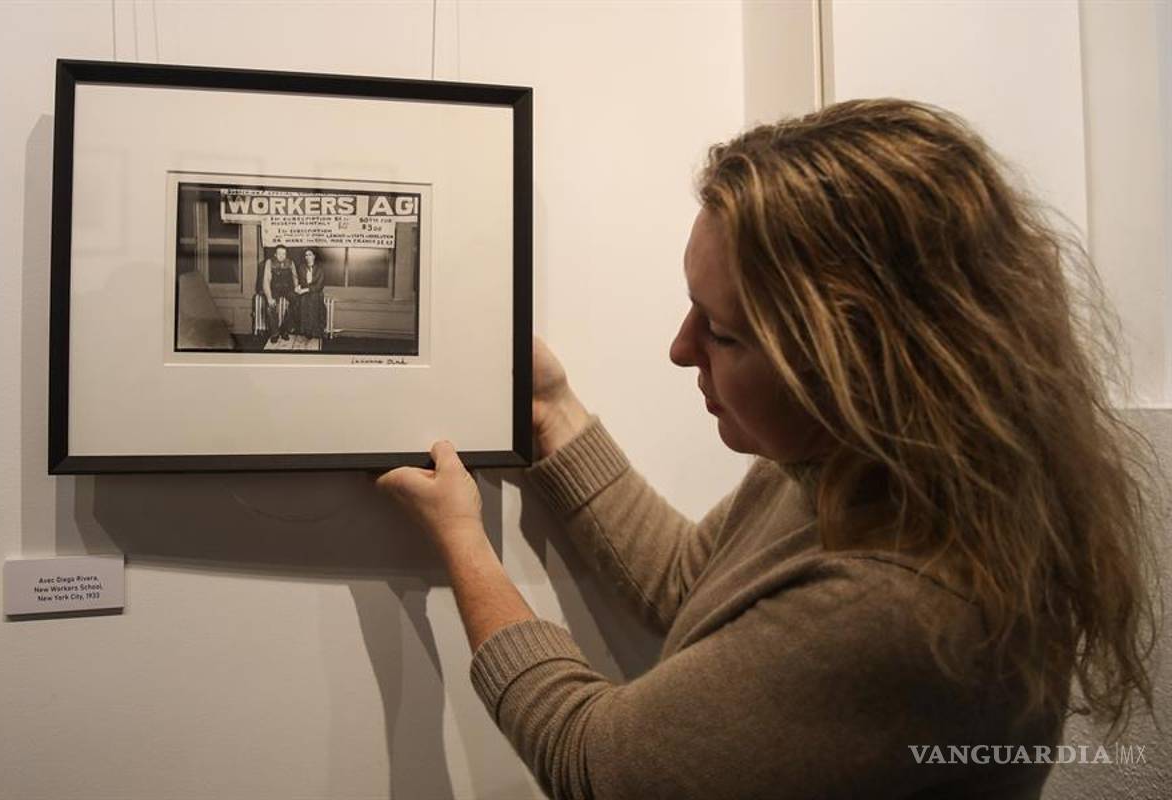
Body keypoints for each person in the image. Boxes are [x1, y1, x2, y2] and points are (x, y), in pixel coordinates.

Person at [376, 99, 1158, 799]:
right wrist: (551, 406)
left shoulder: (908, 602)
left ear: (859, 360)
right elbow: (694, 581)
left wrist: (462, 541)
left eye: (722, 331)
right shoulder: (854, 461)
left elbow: (596, 764)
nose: (682, 351)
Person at [262, 244, 300, 343]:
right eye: (279, 253)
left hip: (287, 288)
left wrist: (296, 287)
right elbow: (266, 280)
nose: (282, 256)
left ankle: (285, 330)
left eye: (284, 254)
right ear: (275, 254)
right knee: (270, 307)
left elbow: (295, 277)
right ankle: (275, 333)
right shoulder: (269, 262)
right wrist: (269, 297)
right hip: (274, 289)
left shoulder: (290, 262)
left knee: (296, 302)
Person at [293, 248, 326, 340]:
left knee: (313, 301)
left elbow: (319, 285)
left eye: (310, 255)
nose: (308, 257)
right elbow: (301, 281)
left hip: (316, 293)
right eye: (306, 255)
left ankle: (315, 331)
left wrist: (306, 290)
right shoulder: (301, 267)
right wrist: (298, 287)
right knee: (302, 302)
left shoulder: (320, 269)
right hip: (305, 293)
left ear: (314, 256)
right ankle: (305, 330)